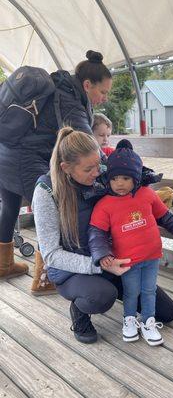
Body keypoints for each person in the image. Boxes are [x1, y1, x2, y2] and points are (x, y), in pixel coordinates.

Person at [32, 127, 173, 344]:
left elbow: (130, 179)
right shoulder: (46, 191)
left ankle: (120, 293)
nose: (97, 173)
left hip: (112, 261)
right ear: (66, 168)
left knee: (167, 312)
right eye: (89, 169)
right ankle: (80, 312)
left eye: (99, 164)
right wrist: (99, 266)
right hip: (73, 270)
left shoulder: (101, 176)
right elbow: (51, 255)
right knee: (101, 296)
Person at [0, 50, 112, 294]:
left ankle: (3, 264)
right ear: (87, 84)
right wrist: (114, 169)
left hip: (5, 153)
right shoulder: (70, 100)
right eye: (102, 92)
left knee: (9, 207)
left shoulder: (59, 87)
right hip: (25, 160)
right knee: (50, 212)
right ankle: (44, 279)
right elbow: (88, 146)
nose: (104, 98)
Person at [88, 141, 173, 346]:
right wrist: (102, 254)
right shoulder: (105, 205)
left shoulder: (148, 194)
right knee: (132, 291)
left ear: (136, 177)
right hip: (127, 260)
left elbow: (165, 216)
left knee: (149, 290)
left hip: (151, 256)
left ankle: (149, 322)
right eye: (114, 178)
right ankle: (129, 320)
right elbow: (96, 233)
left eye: (125, 178)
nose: (119, 183)